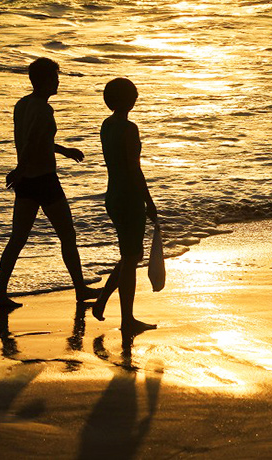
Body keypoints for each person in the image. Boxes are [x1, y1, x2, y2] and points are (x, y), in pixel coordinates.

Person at [0, 57, 100, 310]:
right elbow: (30, 142)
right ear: (45, 80)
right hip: (44, 181)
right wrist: (20, 169)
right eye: (55, 77)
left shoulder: (22, 105)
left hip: (27, 182)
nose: (58, 81)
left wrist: (63, 151)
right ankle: (80, 288)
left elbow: (37, 141)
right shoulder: (43, 108)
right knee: (67, 235)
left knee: (17, 239)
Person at [92, 78, 157, 334]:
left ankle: (102, 301)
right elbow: (134, 169)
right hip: (129, 197)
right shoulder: (129, 128)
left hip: (113, 195)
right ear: (129, 99)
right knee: (131, 257)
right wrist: (148, 201)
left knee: (130, 255)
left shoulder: (106, 126)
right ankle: (127, 320)